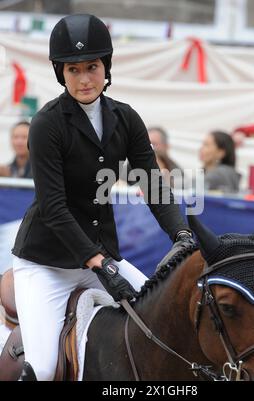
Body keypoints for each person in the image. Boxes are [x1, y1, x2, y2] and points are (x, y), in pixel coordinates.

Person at [11, 14, 195, 381]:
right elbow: (54, 206)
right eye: (73, 70)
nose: (83, 79)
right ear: (61, 74)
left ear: (106, 67)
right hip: (45, 265)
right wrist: (97, 261)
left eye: (92, 67)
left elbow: (153, 184)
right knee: (45, 369)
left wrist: (182, 235)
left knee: (160, 330)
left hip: (101, 259)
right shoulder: (47, 124)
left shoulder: (126, 119)